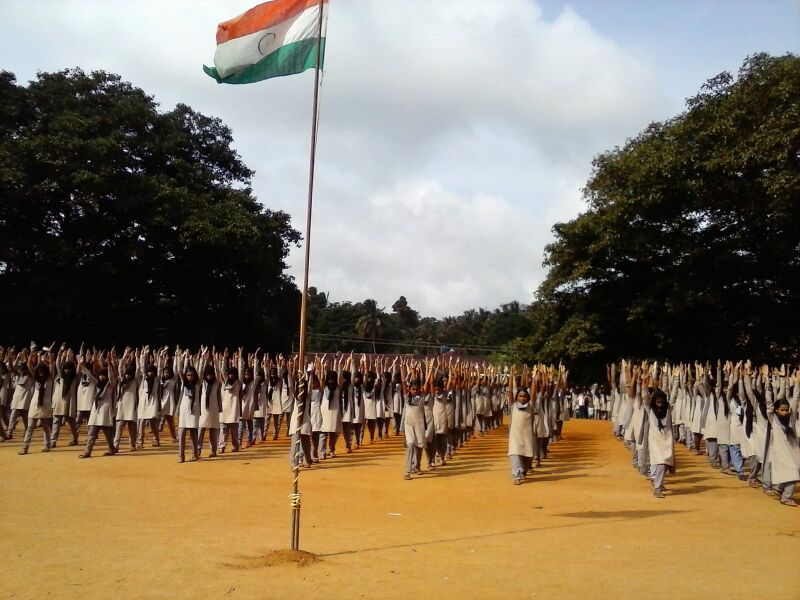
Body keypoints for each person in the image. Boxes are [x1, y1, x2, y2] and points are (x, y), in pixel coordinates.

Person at [78, 351, 117, 459]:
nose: (102, 378)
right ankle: (87, 452)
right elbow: (89, 375)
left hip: (105, 411)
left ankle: (111, 448)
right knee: (91, 432)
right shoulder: (96, 383)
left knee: (108, 434)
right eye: (101, 376)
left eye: (104, 376)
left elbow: (111, 376)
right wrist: (81, 366)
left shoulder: (110, 385)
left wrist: (109, 364)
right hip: (96, 410)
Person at [19, 349, 56, 455]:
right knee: (30, 427)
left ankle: (46, 445)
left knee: (45, 427)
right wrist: (31, 351)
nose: (41, 373)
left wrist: (49, 353)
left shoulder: (50, 379)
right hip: (34, 405)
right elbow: (29, 364)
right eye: (39, 371)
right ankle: (25, 448)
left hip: (45, 406)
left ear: (46, 372)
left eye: (43, 371)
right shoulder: (36, 380)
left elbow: (52, 365)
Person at [507, 366, 535, 485]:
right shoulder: (513, 405)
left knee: (527, 457)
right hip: (515, 436)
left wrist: (533, 379)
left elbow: (533, 393)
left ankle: (523, 471)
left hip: (527, 436)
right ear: (516, 397)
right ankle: (516, 476)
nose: (522, 398)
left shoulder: (531, 406)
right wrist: (512, 376)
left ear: (528, 398)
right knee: (515, 454)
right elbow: (510, 392)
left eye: (524, 396)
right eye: (520, 396)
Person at [175, 348, 201, 463]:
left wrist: (198, 360)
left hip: (194, 411)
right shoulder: (183, 384)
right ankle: (181, 456)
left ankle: (195, 454)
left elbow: (200, 370)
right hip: (184, 412)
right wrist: (182, 358)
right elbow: (179, 370)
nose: (189, 377)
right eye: (188, 375)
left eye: (191, 375)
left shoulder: (198, 384)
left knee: (194, 434)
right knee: (181, 434)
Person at [51, 346, 80, 447]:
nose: (67, 371)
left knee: (72, 424)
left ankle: (75, 439)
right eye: (66, 369)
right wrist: (60, 352)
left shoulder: (75, 379)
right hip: (59, 404)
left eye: (69, 369)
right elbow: (58, 363)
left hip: (69, 405)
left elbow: (78, 369)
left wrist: (73, 358)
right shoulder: (61, 376)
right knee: (56, 423)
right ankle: (53, 441)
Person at [113, 348, 139, 452]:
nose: (127, 375)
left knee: (132, 430)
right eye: (126, 374)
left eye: (129, 374)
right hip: (121, 408)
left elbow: (138, 370)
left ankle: (133, 445)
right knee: (118, 429)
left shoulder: (135, 382)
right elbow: (120, 367)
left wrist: (137, 357)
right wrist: (124, 356)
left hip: (131, 408)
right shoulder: (121, 380)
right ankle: (115, 446)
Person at [198, 348, 221, 458]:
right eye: (207, 374)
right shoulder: (202, 382)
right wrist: (203, 359)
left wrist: (215, 362)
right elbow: (200, 372)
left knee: (213, 430)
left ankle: (213, 450)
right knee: (201, 429)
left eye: (211, 374)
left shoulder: (216, 383)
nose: (209, 376)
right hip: (202, 409)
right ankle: (198, 450)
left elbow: (218, 373)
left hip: (213, 409)